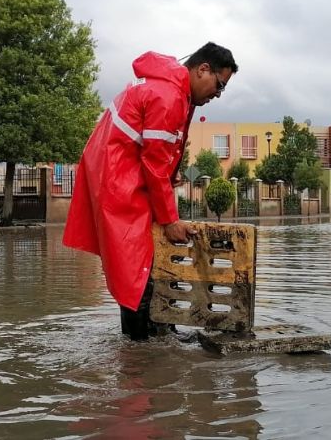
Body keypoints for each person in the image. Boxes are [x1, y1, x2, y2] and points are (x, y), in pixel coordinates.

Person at [63, 42, 238, 340]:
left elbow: (155, 153)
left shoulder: (169, 89)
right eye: (219, 85)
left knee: (146, 263)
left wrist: (171, 173)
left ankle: (158, 337)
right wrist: (170, 220)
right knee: (137, 267)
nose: (217, 94)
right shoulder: (169, 96)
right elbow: (154, 163)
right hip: (119, 181)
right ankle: (142, 348)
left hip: (118, 173)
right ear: (202, 69)